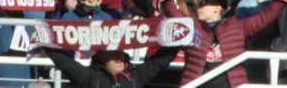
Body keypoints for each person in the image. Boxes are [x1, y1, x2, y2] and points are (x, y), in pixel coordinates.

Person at [165, 0, 284, 87]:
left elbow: (266, 17)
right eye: (199, 3)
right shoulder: (191, 26)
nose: (199, 7)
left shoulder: (237, 26)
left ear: (217, 8)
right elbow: (173, 13)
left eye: (204, 3)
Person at [41, 45, 182, 88]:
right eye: (113, 56)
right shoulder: (91, 76)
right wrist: (44, 42)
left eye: (120, 54)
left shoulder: (135, 76)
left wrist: (181, 39)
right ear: (102, 58)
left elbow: (160, 61)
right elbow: (66, 64)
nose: (119, 58)